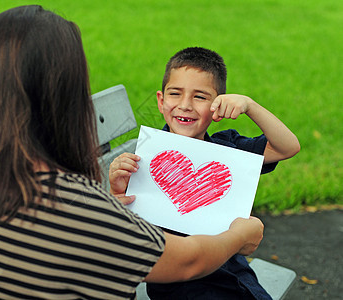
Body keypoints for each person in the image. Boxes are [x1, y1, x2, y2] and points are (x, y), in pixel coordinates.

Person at [0, 8, 265, 299]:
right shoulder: (72, 207)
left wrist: (109, 215)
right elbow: (188, 261)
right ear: (65, 96)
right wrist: (238, 236)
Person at [109, 47, 300, 299]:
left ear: (217, 105)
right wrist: (117, 189)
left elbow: (287, 147)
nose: (185, 106)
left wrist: (250, 105)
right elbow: (129, 230)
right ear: (161, 100)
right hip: (180, 288)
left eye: (200, 97)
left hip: (239, 282)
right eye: (175, 94)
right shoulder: (145, 162)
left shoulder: (228, 149)